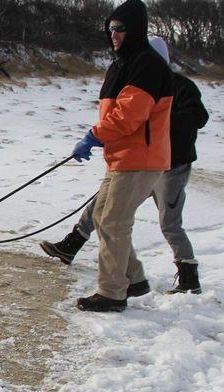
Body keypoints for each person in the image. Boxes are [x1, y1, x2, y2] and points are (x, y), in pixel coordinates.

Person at [40, 36, 209, 297]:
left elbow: (198, 117)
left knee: (169, 223)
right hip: (137, 160)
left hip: (172, 167)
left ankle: (188, 277)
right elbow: (123, 118)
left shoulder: (180, 85)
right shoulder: (134, 82)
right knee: (103, 206)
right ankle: (71, 245)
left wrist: (156, 125)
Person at [54, 0, 174, 312]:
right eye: (110, 29)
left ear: (135, 30)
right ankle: (133, 279)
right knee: (101, 216)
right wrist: (100, 138)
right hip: (123, 157)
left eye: (120, 28)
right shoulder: (125, 62)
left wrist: (95, 135)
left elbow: (129, 116)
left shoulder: (146, 64)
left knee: (114, 221)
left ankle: (111, 293)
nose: (114, 34)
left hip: (140, 159)